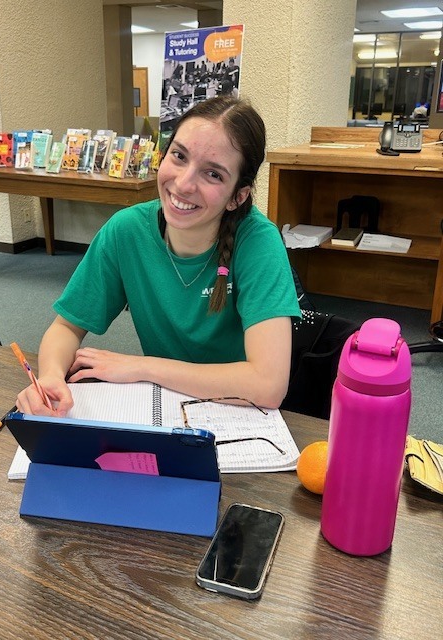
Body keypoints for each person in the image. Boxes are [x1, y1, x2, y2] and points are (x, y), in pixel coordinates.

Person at [16, 95, 301, 417]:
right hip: (164, 406)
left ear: (238, 196)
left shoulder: (258, 242)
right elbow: (66, 328)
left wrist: (144, 367)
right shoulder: (127, 231)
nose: (183, 183)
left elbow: (268, 385)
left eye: (213, 174)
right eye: (179, 156)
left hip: (238, 410)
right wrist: (51, 377)